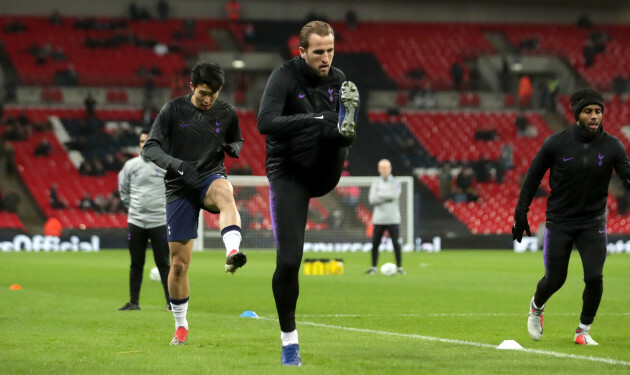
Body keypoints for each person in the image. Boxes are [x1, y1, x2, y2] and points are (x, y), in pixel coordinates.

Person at [257, 20, 359, 366]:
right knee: (288, 262)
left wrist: (336, 129)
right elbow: (264, 122)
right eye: (319, 52)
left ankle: (344, 126)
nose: (326, 57)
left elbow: (327, 127)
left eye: (330, 50)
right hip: (289, 173)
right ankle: (290, 343)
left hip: (324, 168)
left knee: (338, 129)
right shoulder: (283, 77)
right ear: (301, 52)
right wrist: (315, 119)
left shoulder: (339, 79)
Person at [513, 88, 630, 346]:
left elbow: (627, 177)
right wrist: (521, 213)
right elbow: (533, 177)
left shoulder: (613, 146)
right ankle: (536, 307)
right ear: (577, 114)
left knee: (594, 278)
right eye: (588, 111)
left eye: (598, 111)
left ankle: (583, 330)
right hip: (560, 222)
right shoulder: (556, 143)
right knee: (555, 279)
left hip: (593, 223)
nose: (594, 116)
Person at [143, 62, 247, 346]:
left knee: (226, 194)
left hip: (210, 177)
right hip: (179, 186)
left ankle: (232, 252)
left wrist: (234, 147)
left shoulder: (226, 112)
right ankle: (181, 326)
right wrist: (177, 165)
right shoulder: (173, 110)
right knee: (178, 265)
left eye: (213, 94)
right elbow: (150, 147)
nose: (207, 99)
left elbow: (236, 138)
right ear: (191, 87)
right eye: (203, 93)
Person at [118, 129, 171, 312]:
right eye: (141, 141)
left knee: (163, 263)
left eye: (148, 141)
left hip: (159, 221)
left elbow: (173, 190)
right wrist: (133, 207)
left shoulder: (165, 165)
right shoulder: (130, 166)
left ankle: (171, 303)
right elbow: (123, 190)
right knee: (136, 263)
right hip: (137, 221)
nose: (144, 144)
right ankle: (134, 302)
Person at [365, 159, 404, 275]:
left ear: (390, 168)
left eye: (386, 167)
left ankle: (400, 268)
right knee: (375, 243)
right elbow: (372, 199)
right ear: (379, 169)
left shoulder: (396, 182)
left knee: (396, 243)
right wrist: (387, 195)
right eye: (382, 168)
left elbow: (394, 195)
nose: (384, 170)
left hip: (393, 218)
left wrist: (380, 194)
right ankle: (373, 267)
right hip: (378, 219)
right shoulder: (376, 182)